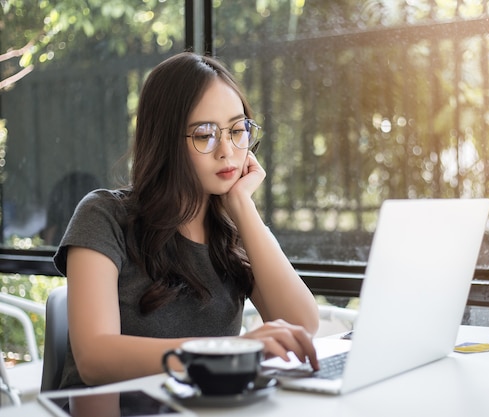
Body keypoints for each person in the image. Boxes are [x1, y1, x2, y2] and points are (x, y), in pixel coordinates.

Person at [52, 51, 320, 389]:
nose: (227, 151)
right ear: (165, 141)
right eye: (204, 134)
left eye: (238, 130)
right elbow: (94, 358)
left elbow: (302, 325)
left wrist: (242, 204)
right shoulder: (104, 215)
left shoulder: (234, 228)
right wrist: (226, 350)